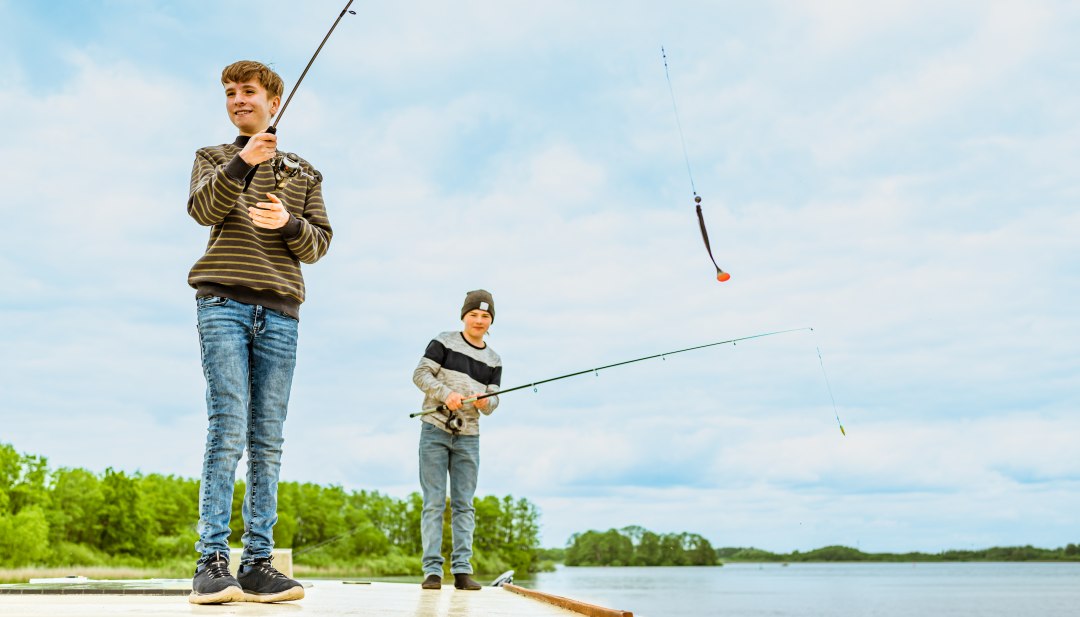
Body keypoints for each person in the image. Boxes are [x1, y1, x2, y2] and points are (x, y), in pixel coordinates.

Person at [186, 60, 332, 605]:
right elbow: (202, 210)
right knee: (227, 427)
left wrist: (288, 225)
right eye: (229, 92)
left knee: (267, 438)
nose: (237, 99)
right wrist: (242, 164)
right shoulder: (214, 158)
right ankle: (211, 560)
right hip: (221, 303)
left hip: (282, 314)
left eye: (247, 91)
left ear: (273, 99)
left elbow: (318, 244)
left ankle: (259, 564)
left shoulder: (306, 174)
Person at [412, 290, 503, 590]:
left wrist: (483, 402)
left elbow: (494, 402)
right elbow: (420, 374)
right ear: (463, 315)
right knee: (434, 502)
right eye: (474, 314)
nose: (479, 320)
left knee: (465, 505)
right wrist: (445, 394)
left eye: (485, 316)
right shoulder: (444, 341)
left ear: (491, 321)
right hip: (434, 430)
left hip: (469, 437)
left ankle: (463, 571)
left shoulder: (494, 359)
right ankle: (432, 572)